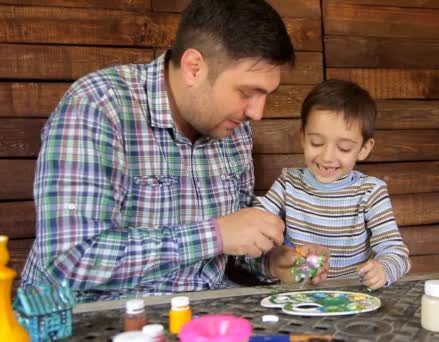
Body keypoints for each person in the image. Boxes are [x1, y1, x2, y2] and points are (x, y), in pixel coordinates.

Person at [21, 0, 328, 302]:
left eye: (265, 96)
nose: (258, 113)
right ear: (194, 68)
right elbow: (67, 262)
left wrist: (270, 261)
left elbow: (234, 242)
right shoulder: (98, 106)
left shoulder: (234, 129)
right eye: (247, 92)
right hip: (95, 321)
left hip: (206, 317)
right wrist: (214, 235)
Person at [255, 79, 411, 290]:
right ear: (302, 137)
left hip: (352, 296)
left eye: (344, 148)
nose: (327, 157)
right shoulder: (288, 183)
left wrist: (383, 270)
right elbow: (257, 221)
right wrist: (283, 249)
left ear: (364, 148)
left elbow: (396, 252)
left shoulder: (370, 192)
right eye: (316, 143)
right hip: (299, 291)